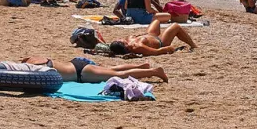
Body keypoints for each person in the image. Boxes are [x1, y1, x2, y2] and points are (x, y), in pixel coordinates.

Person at [20, 55, 168, 83]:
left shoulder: (35, 68)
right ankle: (140, 66)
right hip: (75, 63)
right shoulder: (36, 59)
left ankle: (155, 71)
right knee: (111, 69)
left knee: (119, 75)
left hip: (81, 73)